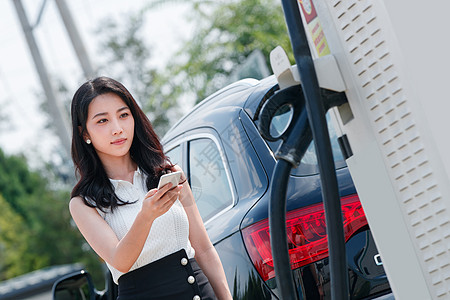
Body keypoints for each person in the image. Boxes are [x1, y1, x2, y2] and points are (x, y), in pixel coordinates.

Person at [69, 76, 232, 300]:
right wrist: (146, 217)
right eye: (102, 121)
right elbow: (120, 261)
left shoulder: (168, 174)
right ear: (84, 133)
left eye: (123, 115)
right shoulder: (83, 203)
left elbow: (203, 249)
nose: (117, 129)